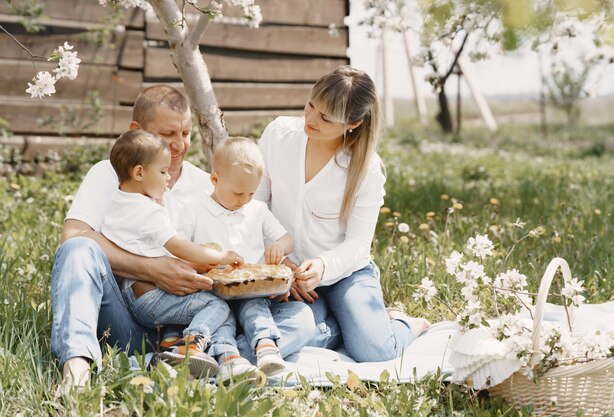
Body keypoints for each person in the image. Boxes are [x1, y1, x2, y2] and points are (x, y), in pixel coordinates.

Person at [51, 85, 314, 389]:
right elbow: (74, 236)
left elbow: (235, 254)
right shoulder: (109, 174)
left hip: (196, 322)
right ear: (137, 130)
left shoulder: (211, 185)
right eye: (167, 135)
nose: (179, 145)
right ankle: (77, 369)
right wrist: (151, 269)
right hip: (128, 318)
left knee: (300, 318)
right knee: (78, 250)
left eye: (186, 134)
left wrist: (270, 278)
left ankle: (185, 363)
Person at [254, 65, 431, 363]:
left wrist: (322, 267)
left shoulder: (365, 169)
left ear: (353, 123)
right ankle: (346, 324)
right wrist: (281, 265)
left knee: (375, 350)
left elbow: (359, 244)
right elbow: (255, 207)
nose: (310, 119)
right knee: (294, 333)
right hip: (290, 274)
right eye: (311, 105)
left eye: (325, 117)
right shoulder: (279, 134)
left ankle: (403, 323)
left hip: (347, 272)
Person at [101, 129, 248, 378]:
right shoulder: (148, 212)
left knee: (192, 297)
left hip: (129, 294)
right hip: (150, 299)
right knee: (217, 306)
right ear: (139, 173)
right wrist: (220, 257)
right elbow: (177, 245)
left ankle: (169, 345)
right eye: (162, 171)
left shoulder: (119, 200)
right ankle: (189, 346)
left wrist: (157, 197)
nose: (168, 178)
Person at [178, 137, 300, 375]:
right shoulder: (194, 208)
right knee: (222, 320)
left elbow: (287, 239)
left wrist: (279, 247)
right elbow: (179, 249)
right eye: (237, 193)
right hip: (212, 292)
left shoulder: (257, 210)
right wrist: (199, 262)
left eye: (251, 193)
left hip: (250, 289)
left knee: (256, 309)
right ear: (215, 179)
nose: (243, 200)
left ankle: (267, 349)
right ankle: (229, 359)